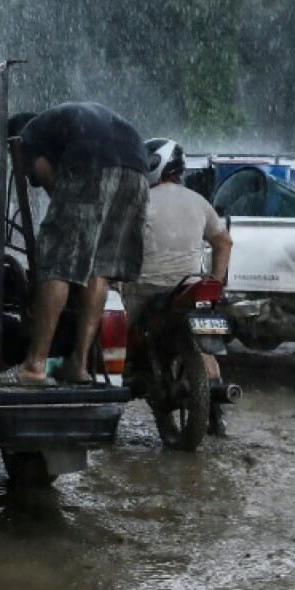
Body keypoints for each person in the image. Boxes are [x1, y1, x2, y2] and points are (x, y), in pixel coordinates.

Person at [3, 102, 149, 385]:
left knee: (58, 263)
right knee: (99, 268)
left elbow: (52, 184)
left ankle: (34, 366)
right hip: (137, 169)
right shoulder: (64, 123)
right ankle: (79, 365)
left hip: (92, 164)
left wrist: (61, 232)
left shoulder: (28, 136)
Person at [123, 137, 234, 435]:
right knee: (205, 341)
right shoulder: (200, 201)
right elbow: (224, 242)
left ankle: (110, 392)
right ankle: (217, 416)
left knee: (111, 336)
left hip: (144, 288)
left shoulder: (138, 201)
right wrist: (217, 280)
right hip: (191, 288)